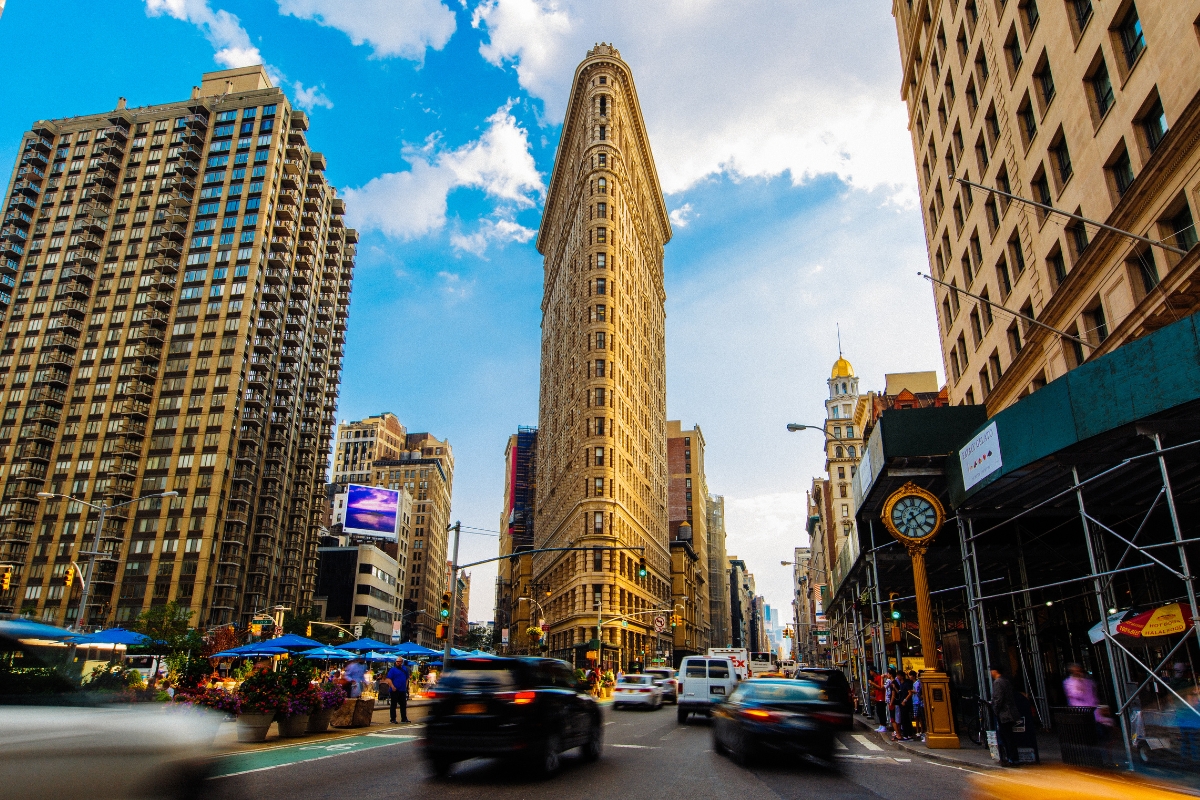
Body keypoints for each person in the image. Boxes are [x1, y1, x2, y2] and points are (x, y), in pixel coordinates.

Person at [991, 664, 1020, 766]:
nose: (991, 673)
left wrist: (995, 710)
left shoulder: (998, 682)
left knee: (1006, 737)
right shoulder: (1006, 681)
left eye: (992, 670)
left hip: (1004, 714)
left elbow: (998, 699)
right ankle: (1013, 758)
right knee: (1010, 736)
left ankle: (1011, 759)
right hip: (1011, 712)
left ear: (995, 671)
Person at [382, 657, 412, 724]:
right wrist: (392, 686)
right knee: (393, 704)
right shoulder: (392, 670)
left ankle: (404, 718)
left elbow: (407, 678)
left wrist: (406, 686)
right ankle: (393, 719)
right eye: (397, 661)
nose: (398, 663)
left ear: (402, 662)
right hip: (394, 690)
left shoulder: (404, 669)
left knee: (403, 704)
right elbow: (389, 679)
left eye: (399, 661)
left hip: (402, 690)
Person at [911, 670, 925, 740]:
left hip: (919, 702)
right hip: (915, 701)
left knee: (921, 718)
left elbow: (918, 692)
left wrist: (913, 692)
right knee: (916, 717)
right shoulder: (916, 683)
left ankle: (922, 731)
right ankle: (918, 731)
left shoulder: (919, 683)